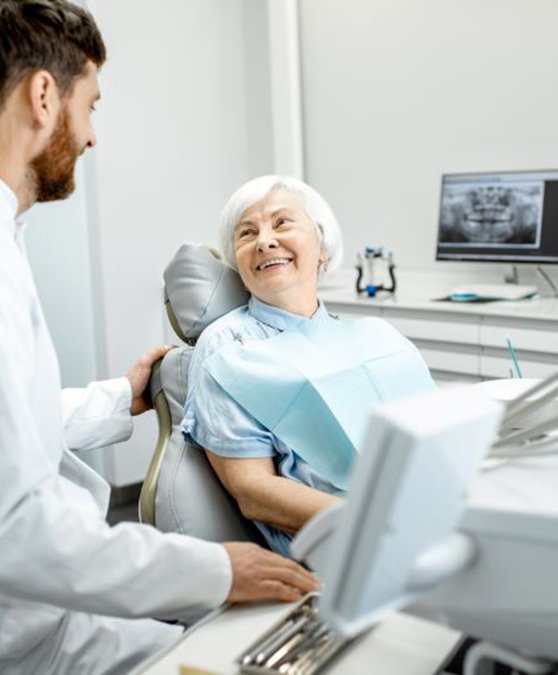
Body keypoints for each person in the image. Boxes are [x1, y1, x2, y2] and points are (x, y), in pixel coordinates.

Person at [0, 3, 318, 674]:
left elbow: (15, 429)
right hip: (26, 620)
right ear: (44, 94)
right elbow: (16, 528)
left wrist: (120, 396)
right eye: (92, 105)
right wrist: (213, 569)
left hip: (51, 610)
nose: (90, 136)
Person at [182, 174, 436, 556]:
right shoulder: (229, 346)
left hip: (427, 515)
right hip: (347, 545)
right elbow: (254, 492)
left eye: (282, 223)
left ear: (321, 246)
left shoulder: (375, 335)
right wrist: (378, 523)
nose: (265, 240)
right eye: (246, 234)